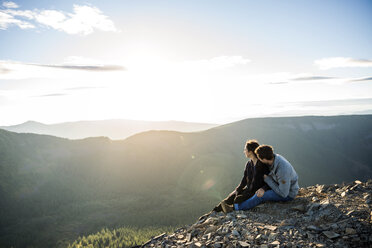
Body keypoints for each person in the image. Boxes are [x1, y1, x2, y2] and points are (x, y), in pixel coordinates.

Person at [199, 140, 270, 219]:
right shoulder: (249, 164)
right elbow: (244, 180)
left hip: (256, 192)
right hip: (248, 190)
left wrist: (263, 189)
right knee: (230, 198)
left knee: (237, 199)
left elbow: (270, 181)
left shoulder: (262, 165)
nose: (244, 152)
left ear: (250, 152)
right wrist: (237, 190)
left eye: (245, 150)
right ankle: (212, 212)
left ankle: (230, 209)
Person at [222, 144, 299, 212]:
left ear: (264, 159)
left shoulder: (282, 170)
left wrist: (268, 180)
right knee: (260, 191)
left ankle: (236, 208)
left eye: (259, 158)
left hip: (289, 193)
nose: (258, 160)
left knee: (262, 195)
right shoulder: (273, 158)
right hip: (280, 186)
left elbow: (283, 194)